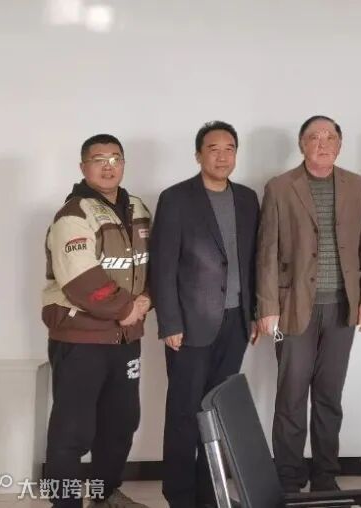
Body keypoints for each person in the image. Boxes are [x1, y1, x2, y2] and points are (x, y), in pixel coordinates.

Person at [257, 115, 361, 493]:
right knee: (291, 396)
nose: (323, 143)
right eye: (314, 137)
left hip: (343, 307)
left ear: (340, 145)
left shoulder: (357, 185)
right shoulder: (280, 187)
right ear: (302, 144)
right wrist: (267, 305)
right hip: (293, 306)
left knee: (329, 396)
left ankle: (325, 476)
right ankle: (288, 478)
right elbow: (267, 250)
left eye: (330, 137)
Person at [150, 121, 260, 508]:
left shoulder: (247, 199)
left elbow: (252, 261)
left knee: (216, 411)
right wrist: (169, 322)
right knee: (184, 412)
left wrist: (253, 314)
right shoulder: (176, 199)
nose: (222, 156)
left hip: (235, 323)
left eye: (230, 149)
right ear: (198, 155)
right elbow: (162, 266)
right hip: (190, 324)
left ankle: (209, 491)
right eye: (214, 149)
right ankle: (179, 495)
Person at [41, 134, 152, 508]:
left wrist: (148, 299)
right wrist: (125, 308)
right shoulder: (73, 214)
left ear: (124, 163)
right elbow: (80, 280)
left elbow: (154, 263)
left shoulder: (138, 208)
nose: (108, 166)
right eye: (99, 159)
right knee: (72, 432)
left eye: (115, 158)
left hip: (125, 340)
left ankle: (104, 496)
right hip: (81, 339)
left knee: (121, 423)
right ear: (83, 167)